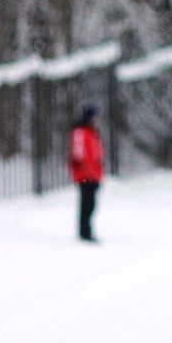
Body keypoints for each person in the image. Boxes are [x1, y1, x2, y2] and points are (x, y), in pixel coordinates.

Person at [69, 103, 104, 242]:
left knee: (91, 203)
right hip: (84, 176)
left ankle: (87, 230)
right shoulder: (81, 132)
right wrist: (90, 173)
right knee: (87, 202)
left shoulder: (92, 133)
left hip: (92, 174)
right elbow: (79, 156)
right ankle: (85, 232)